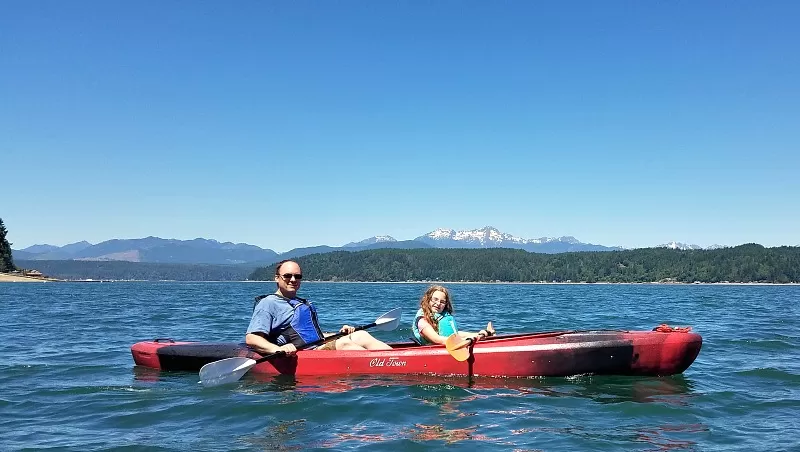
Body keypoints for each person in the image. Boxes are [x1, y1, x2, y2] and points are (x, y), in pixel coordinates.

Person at [245, 259, 392, 355]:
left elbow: (310, 336)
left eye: (298, 276)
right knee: (344, 343)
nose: (293, 280)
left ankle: (398, 360)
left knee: (360, 335)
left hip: (314, 346)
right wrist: (277, 349)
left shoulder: (300, 302)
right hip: (301, 352)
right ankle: (384, 368)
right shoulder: (268, 303)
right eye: (288, 276)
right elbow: (252, 339)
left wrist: (341, 332)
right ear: (277, 278)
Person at [411, 285, 495, 345]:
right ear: (428, 300)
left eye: (442, 302)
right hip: (433, 350)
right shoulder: (422, 321)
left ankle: (488, 333)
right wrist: (463, 340)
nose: (438, 304)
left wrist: (476, 334)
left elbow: (454, 334)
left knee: (477, 335)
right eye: (435, 300)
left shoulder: (441, 317)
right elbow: (437, 339)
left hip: (449, 344)